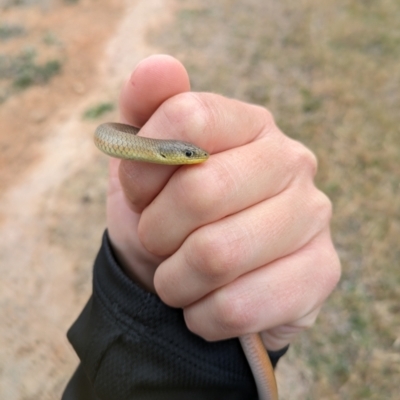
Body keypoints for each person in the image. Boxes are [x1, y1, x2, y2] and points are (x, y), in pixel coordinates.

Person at [62, 55, 341, 399]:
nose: (199, 157)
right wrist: (134, 279)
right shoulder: (138, 147)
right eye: (191, 154)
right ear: (173, 154)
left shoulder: (160, 152)